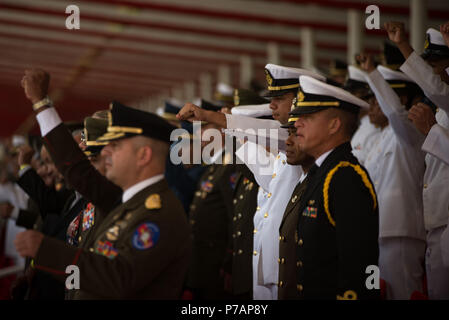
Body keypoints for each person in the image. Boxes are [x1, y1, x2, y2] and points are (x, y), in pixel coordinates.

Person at [14, 68, 191, 299]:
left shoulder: (159, 213)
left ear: (143, 156)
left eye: (116, 146)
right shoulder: (128, 201)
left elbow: (118, 278)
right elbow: (76, 169)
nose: (106, 151)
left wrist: (46, 252)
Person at [177, 64, 325, 299]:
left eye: (279, 98)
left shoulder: (292, 139)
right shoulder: (282, 146)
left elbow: (261, 129)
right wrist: (222, 123)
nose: (272, 105)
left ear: (299, 99)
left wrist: (213, 118)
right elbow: (256, 134)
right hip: (266, 269)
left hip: (287, 270)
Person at [292, 75, 379, 299]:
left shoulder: (345, 177)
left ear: (334, 125)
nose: (296, 123)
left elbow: (363, 264)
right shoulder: (322, 172)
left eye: (307, 117)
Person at [385, 21, 449, 299]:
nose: (436, 71)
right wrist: (402, 45)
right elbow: (435, 87)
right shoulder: (445, 107)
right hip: (436, 220)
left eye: (439, 62)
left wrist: (431, 130)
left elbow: (434, 87)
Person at [358, 52, 427, 299]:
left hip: (402, 231)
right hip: (380, 229)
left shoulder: (408, 132)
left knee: (403, 293)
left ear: (402, 98)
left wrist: (373, 73)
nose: (373, 106)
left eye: (378, 99)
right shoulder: (381, 138)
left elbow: (396, 114)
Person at [277, 112, 315, 299]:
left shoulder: (325, 182)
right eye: (289, 133)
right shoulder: (303, 180)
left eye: (296, 133)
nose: (288, 141)